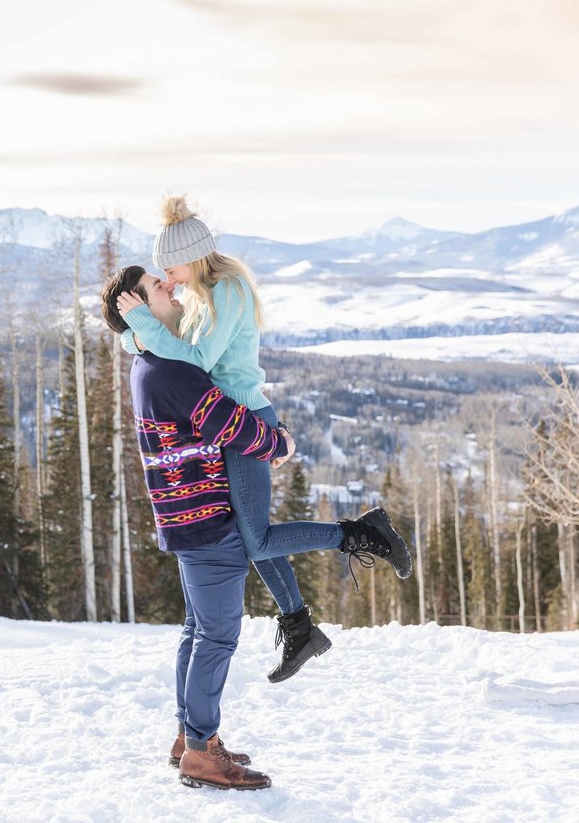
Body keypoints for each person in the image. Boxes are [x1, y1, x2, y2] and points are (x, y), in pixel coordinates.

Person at [100, 265, 411, 790]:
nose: (171, 286)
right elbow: (229, 422)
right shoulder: (171, 368)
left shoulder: (147, 363)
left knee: (198, 632)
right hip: (205, 521)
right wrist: (280, 442)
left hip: (186, 520)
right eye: (158, 286)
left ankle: (189, 739)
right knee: (217, 638)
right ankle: (201, 752)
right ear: (137, 309)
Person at [114, 195, 411, 683]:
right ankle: (299, 626)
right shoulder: (201, 295)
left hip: (244, 421)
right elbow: (166, 344)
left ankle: (361, 533)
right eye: (162, 273)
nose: (168, 280)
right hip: (227, 426)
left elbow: (194, 362)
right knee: (251, 541)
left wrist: (142, 324)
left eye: (171, 268)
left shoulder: (227, 290)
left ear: (192, 256)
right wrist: (134, 331)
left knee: (256, 540)